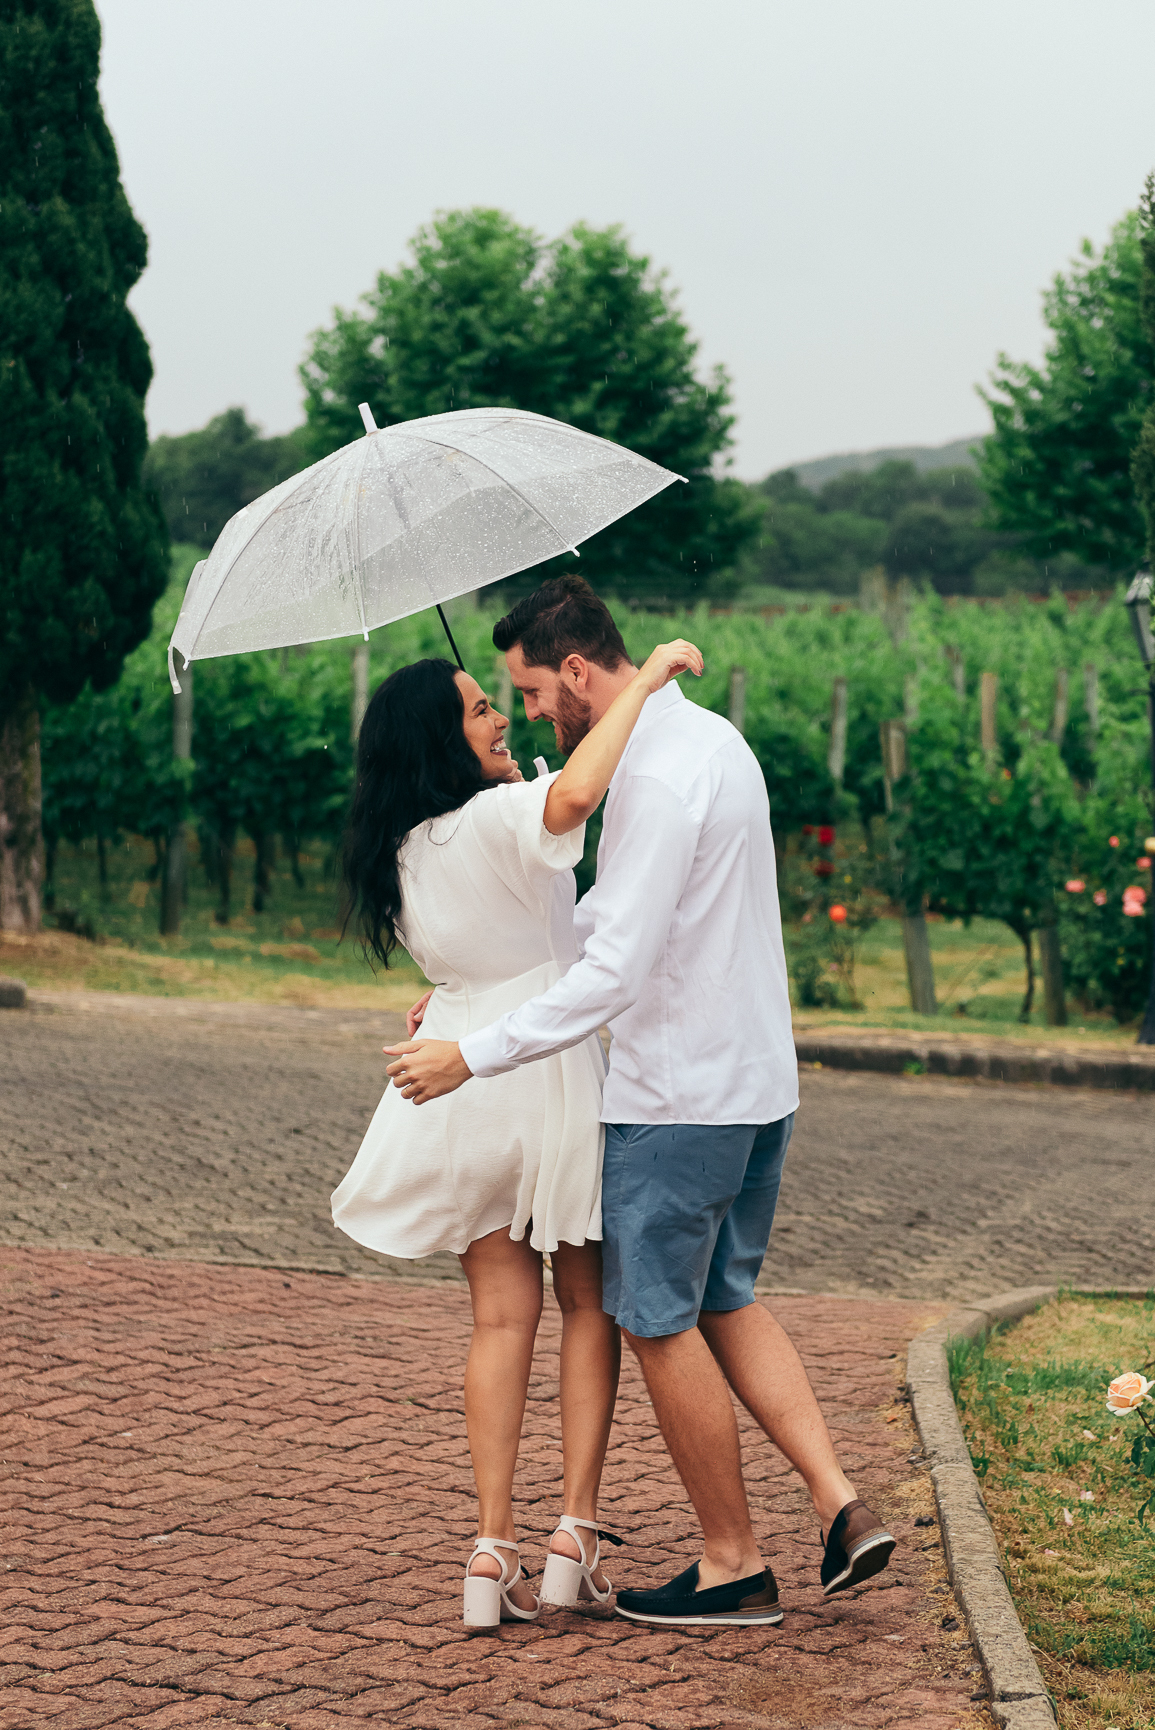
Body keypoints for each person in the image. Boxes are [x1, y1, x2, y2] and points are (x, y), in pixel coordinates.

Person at [385, 576, 896, 1627]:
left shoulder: (652, 780)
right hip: (757, 1083)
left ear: (577, 673)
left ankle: (733, 1563)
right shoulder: (712, 743)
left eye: (531, 690)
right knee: (726, 1296)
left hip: (679, 1094)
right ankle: (841, 1502)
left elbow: (611, 974)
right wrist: (471, 981)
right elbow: (608, 930)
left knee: (656, 1320)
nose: (528, 710)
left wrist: (473, 1049)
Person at [331, 635, 703, 1629]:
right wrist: (651, 677)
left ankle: (488, 1547)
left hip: (458, 1068)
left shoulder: (400, 846)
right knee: (587, 1305)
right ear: (440, 743)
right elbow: (577, 798)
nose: (500, 716)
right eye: (477, 709)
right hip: (537, 1069)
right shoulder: (497, 815)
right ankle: (573, 1533)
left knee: (499, 1318)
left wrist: (444, 999)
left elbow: (483, 942)